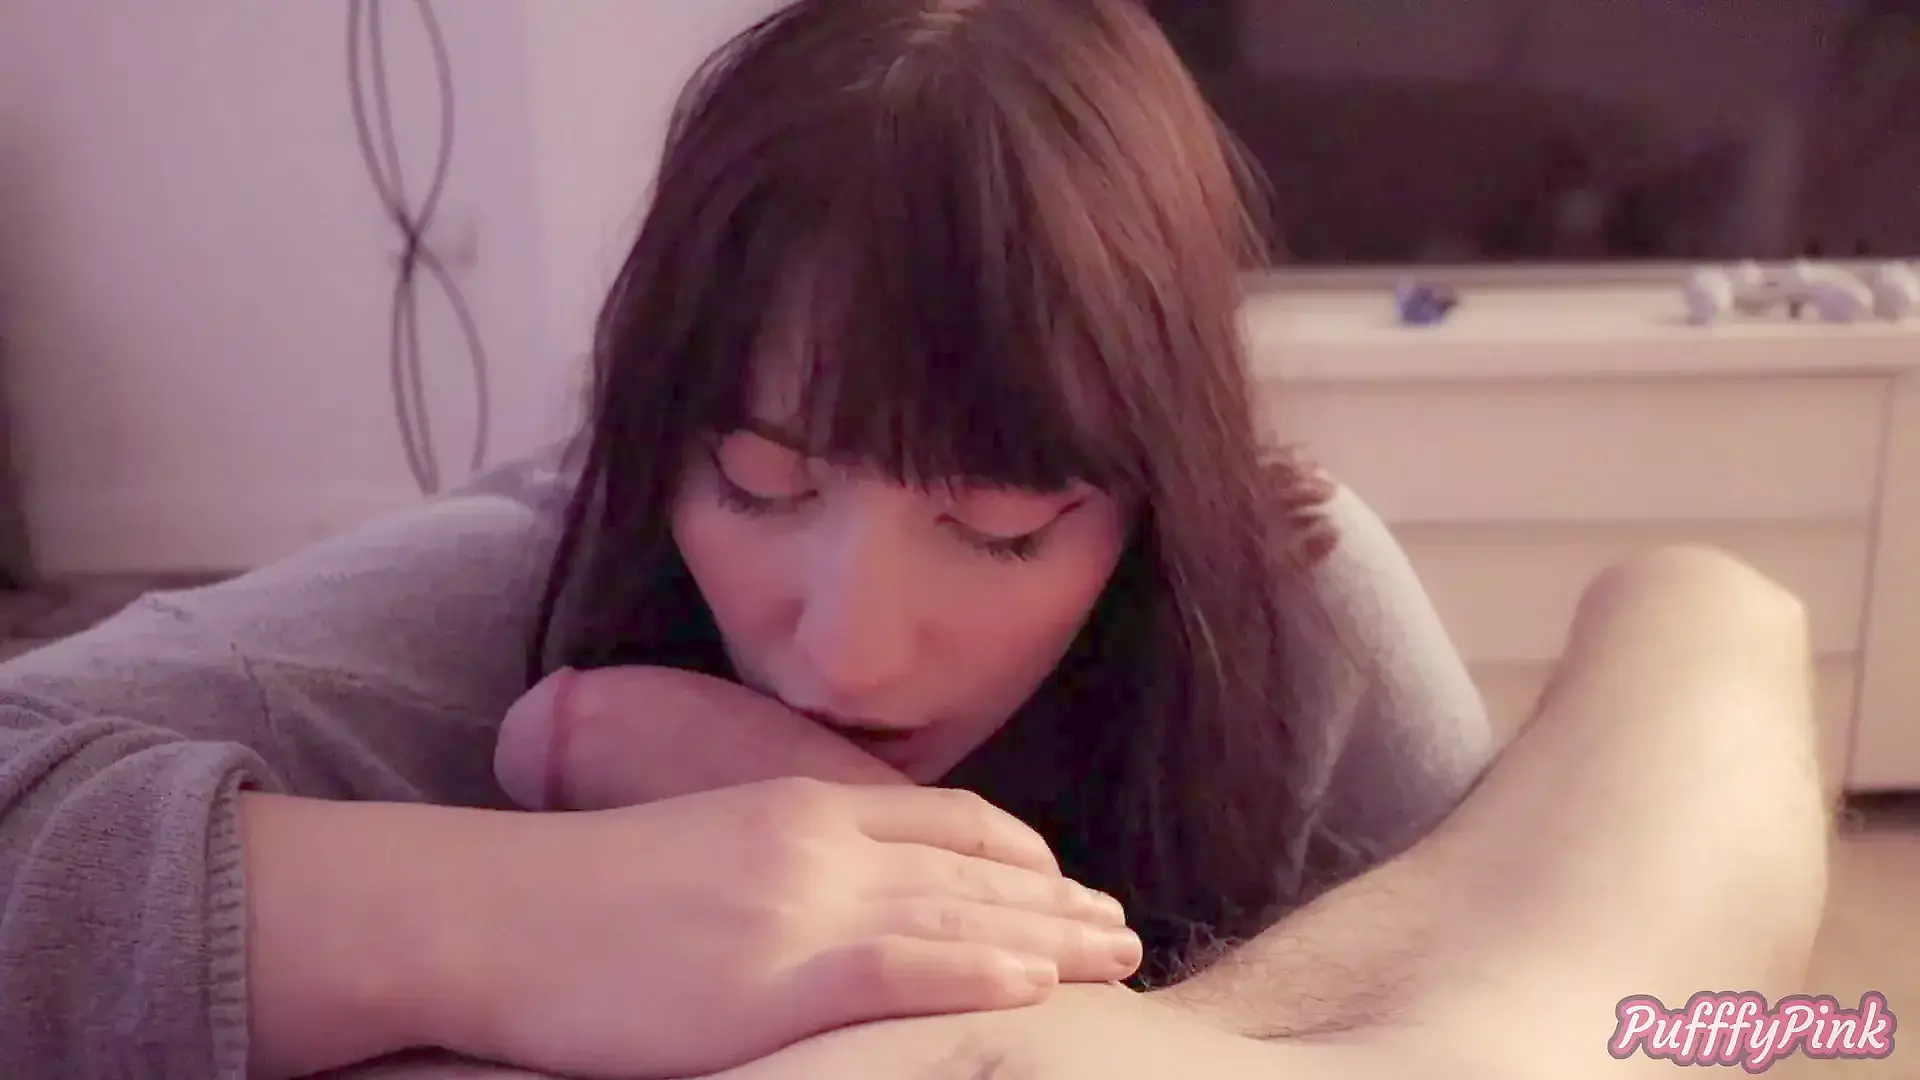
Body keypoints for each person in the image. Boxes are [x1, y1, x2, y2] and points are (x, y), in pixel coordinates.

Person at [0, 1, 1828, 1078]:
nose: (851, 645)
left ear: (1156, 492)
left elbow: (1603, 965)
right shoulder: (523, 578)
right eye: (758, 482)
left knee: (1709, 618)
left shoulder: (1289, 607)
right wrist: (503, 918)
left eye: (1003, 526)